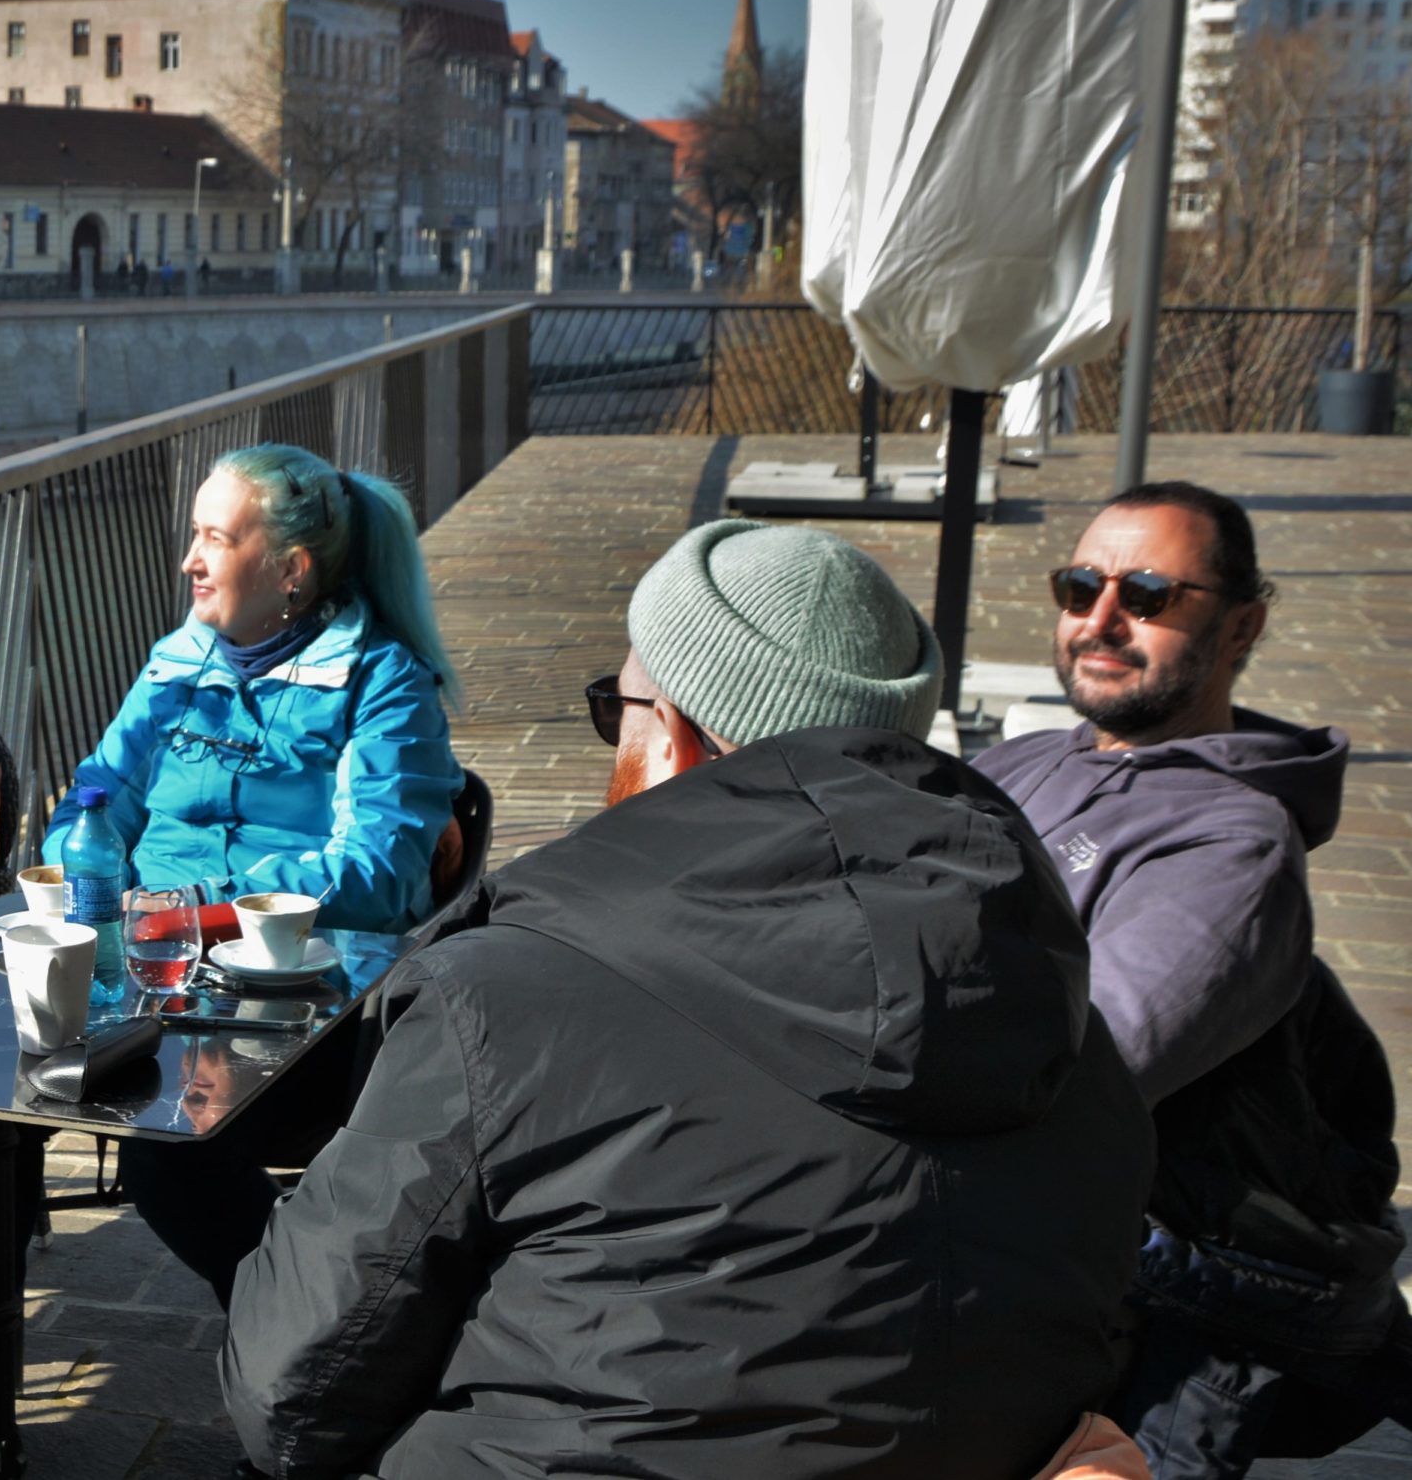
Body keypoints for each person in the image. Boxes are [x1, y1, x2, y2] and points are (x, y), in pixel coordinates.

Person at [223, 518, 1156, 1479]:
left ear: (674, 736)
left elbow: (287, 1400)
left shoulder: (502, 999)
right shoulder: (1062, 1010)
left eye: (613, 707)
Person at [0, 443, 464, 1480]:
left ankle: (321, 1374)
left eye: (215, 537)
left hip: (294, 1002)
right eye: (192, 532)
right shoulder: (180, 657)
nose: (188, 558)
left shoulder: (379, 682)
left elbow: (382, 870)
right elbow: (100, 784)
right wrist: (91, 855)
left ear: (293, 570)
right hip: (144, 972)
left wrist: (207, 907)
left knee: (163, 1150)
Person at [974, 482, 1412, 1478]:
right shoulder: (1020, 762)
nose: (1100, 620)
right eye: (1079, 585)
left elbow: (1078, 1067)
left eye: (1147, 594)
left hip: (1149, 1322)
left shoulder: (1234, 839)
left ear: (1243, 625)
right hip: (1020, 1251)